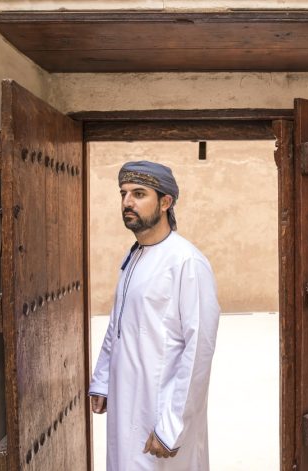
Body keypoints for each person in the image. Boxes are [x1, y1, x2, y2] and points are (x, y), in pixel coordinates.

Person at [89, 160, 220, 471]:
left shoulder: (187, 262)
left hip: (160, 409)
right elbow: (117, 324)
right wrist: (103, 380)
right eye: (123, 194)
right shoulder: (134, 255)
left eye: (138, 193)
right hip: (126, 401)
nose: (127, 202)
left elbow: (199, 350)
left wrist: (171, 426)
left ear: (165, 202)